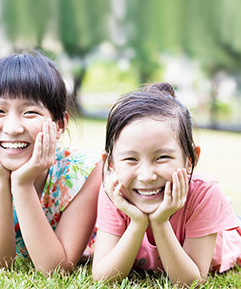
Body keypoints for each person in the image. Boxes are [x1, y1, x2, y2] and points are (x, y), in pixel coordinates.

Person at [0, 51, 102, 274]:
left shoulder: (84, 170)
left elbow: (56, 270)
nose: (13, 128)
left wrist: (22, 184)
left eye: (30, 112)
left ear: (60, 125)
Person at [92, 83, 241, 286]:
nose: (146, 176)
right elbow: (103, 278)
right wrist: (137, 222)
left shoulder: (204, 194)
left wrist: (160, 222)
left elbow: (190, 282)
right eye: (131, 160)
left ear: (190, 160)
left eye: (161, 157)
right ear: (111, 164)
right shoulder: (114, 193)